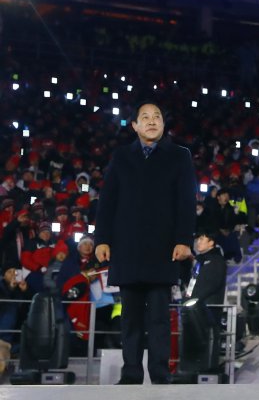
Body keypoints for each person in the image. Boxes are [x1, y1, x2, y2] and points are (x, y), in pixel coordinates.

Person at [93, 102, 197, 385]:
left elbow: (186, 203)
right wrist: (102, 239)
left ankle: (161, 373)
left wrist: (184, 241)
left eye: (157, 117)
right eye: (145, 117)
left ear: (163, 125)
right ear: (135, 126)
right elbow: (107, 202)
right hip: (127, 248)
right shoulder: (121, 157)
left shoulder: (179, 156)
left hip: (163, 248)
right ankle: (131, 373)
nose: (152, 121)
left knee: (160, 318)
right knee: (130, 318)